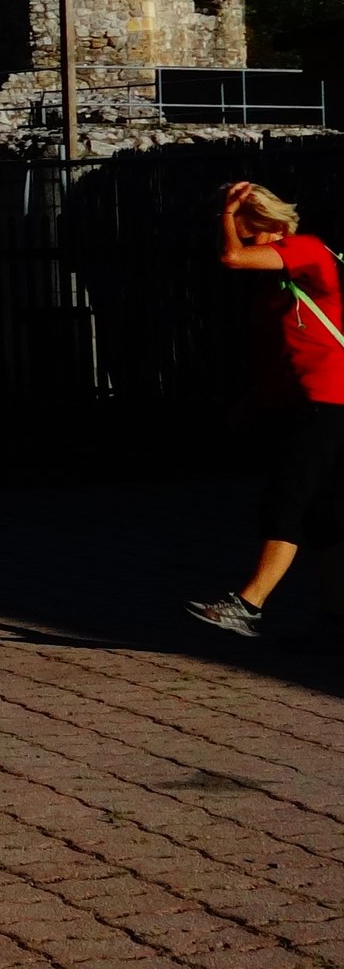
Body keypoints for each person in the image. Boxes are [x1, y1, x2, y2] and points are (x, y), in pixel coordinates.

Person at [189, 182, 344, 636]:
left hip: (328, 400)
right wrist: (255, 400)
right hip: (304, 402)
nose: (242, 243)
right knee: (320, 513)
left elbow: (231, 257)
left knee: (285, 500)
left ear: (270, 225)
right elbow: (286, 351)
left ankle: (248, 605)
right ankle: (338, 619)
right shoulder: (276, 283)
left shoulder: (307, 250)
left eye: (248, 231)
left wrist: (227, 213)